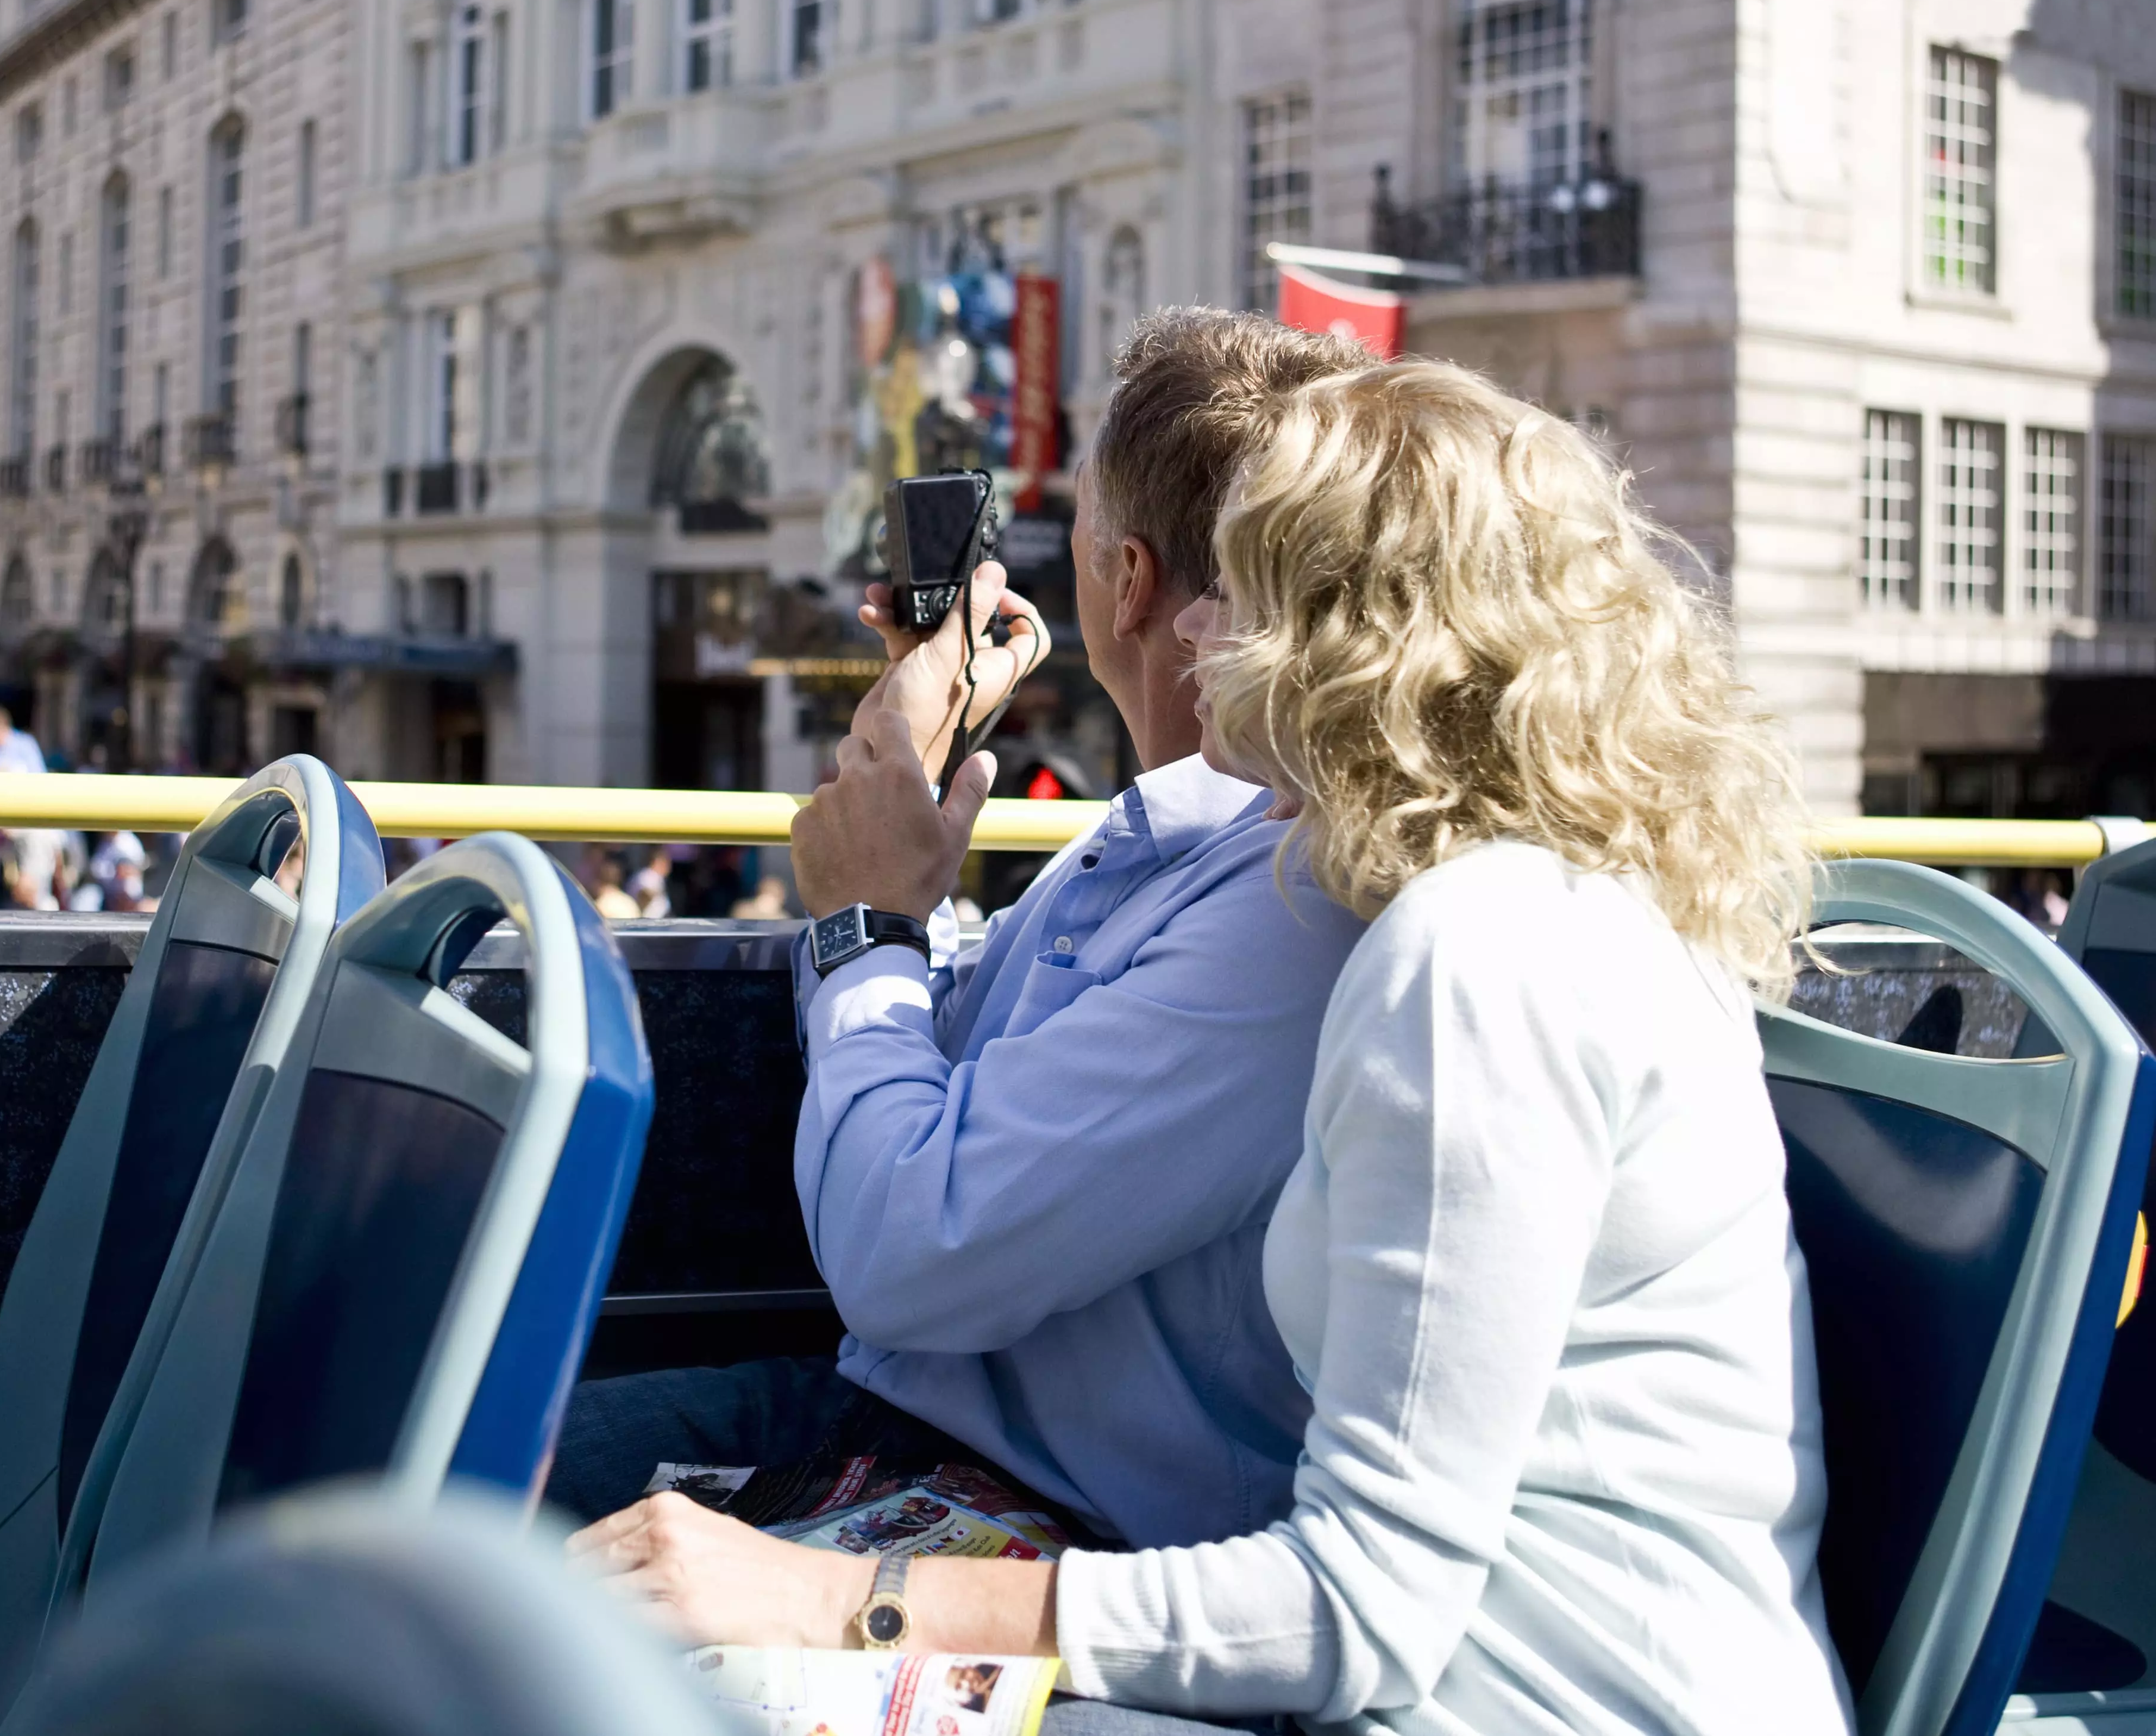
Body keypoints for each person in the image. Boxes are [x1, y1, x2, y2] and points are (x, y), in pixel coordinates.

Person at [578, 359, 1850, 1736]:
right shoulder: (1529, 900)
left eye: (1237, 584)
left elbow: (1353, 1612)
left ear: (1358, 642)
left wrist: (829, 1599)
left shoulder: (1471, 956)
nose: (1188, 621)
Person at [546, 309, 1370, 1553]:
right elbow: (924, 1095)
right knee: (427, 1466)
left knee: (422, 1520)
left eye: (1083, 526)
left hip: (1044, 1508)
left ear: (1125, 578)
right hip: (895, 1421)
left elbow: (904, 1249)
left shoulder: (1278, 898)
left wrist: (866, 920)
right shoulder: (1150, 839)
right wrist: (906, 761)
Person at [0, 703, 61, 911]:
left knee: (36, 844)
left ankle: (35, 895)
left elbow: (39, 783)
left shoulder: (24, 746)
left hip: (23, 822)